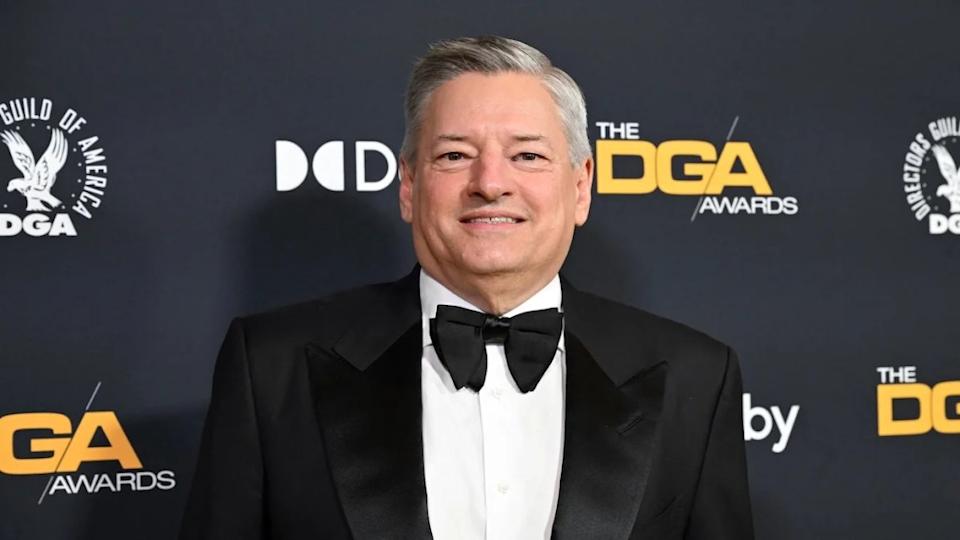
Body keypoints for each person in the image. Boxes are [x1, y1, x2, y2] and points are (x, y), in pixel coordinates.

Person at [179, 35, 754, 540]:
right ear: (408, 185)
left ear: (580, 188)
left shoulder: (694, 378)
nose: (490, 183)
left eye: (527, 155)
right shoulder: (272, 369)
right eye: (455, 155)